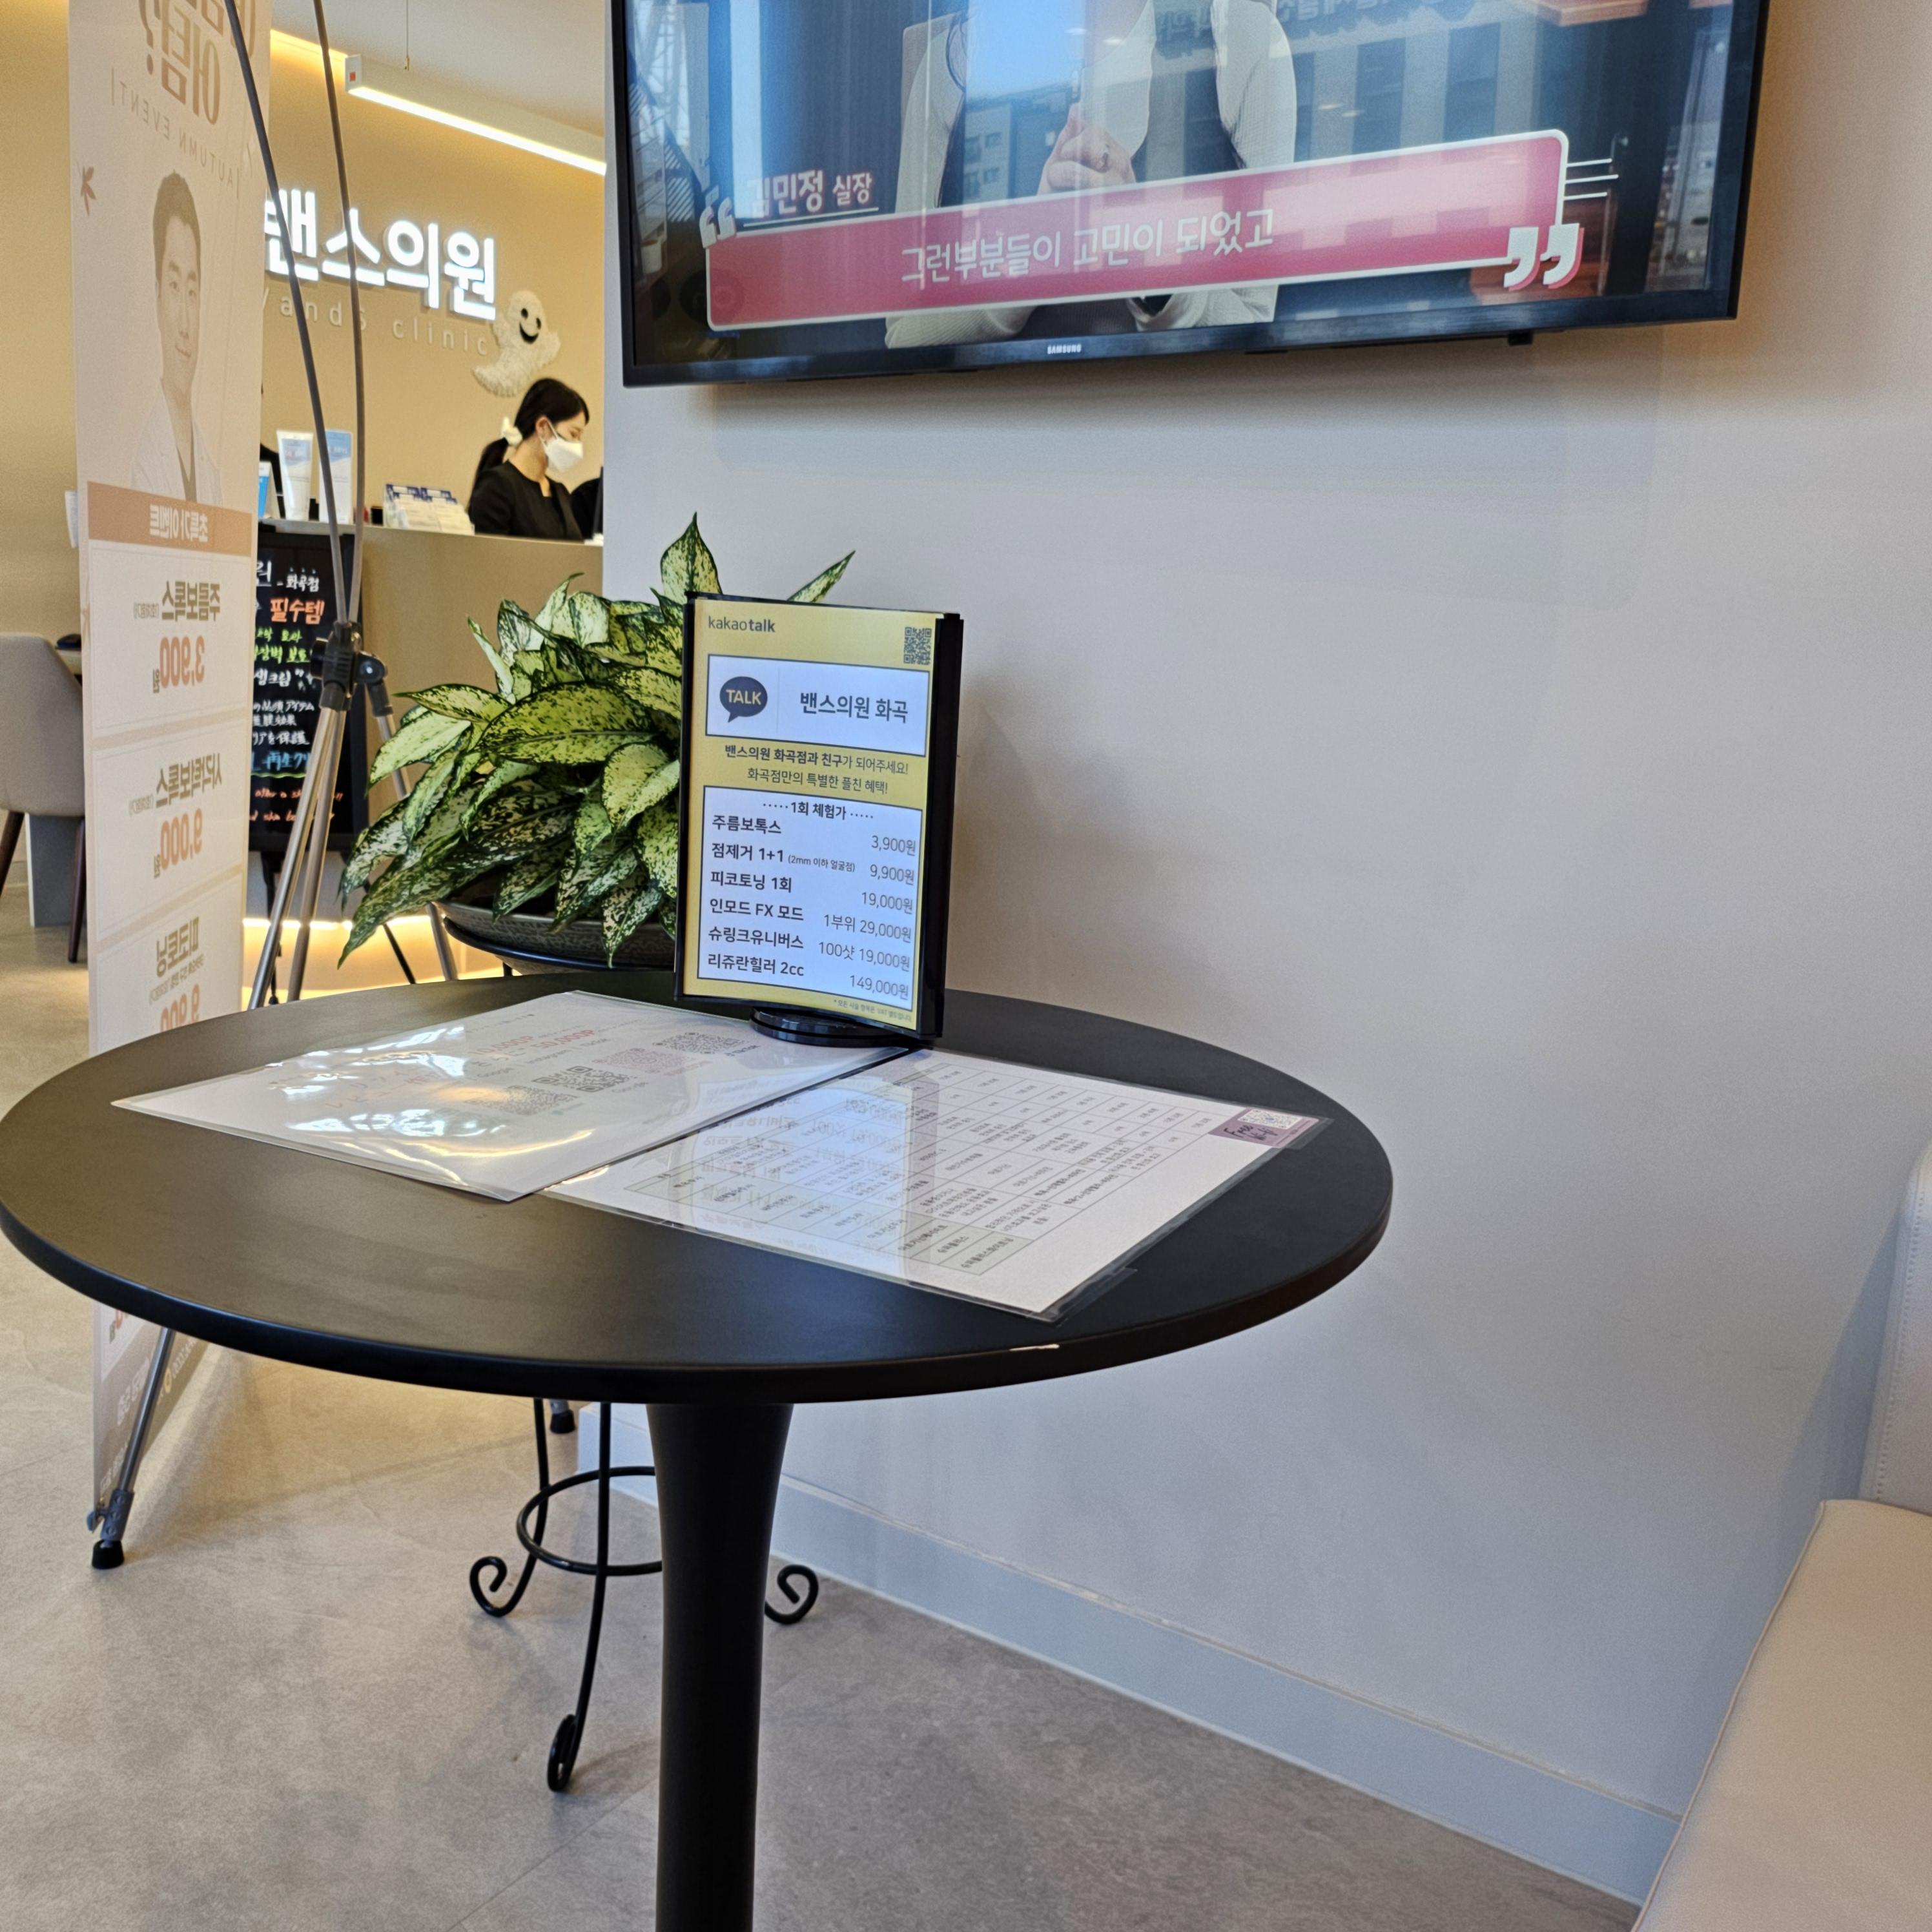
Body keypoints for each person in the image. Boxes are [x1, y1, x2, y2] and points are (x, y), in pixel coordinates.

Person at [885, 0, 1297, 349]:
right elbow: (903, 332)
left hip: (1180, 409)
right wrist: (1032, 254)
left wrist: (1140, 249)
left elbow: (1256, 322)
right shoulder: (955, 58)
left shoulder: (1239, 35)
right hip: (991, 410)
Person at [132, 173, 223, 504]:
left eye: (192, 292)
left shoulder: (211, 473)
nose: (185, 324)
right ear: (157, 296)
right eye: (174, 287)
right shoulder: (141, 462)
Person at [467, 379, 590, 540]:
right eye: (574, 434)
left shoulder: (561, 493)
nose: (577, 445)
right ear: (543, 427)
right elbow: (490, 553)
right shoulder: (497, 486)